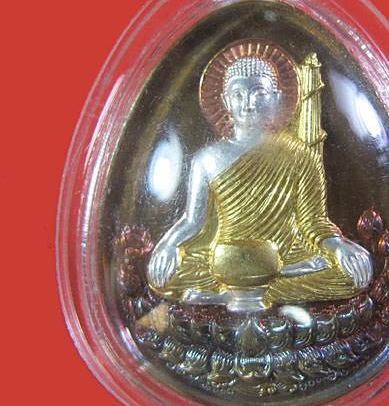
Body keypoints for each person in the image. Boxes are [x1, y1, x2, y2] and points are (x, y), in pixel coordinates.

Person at [147, 44, 372, 311]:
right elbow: (193, 222)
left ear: (276, 98)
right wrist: (168, 245)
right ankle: (248, 289)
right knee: (163, 274)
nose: (248, 103)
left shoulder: (299, 155)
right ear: (225, 100)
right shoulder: (207, 159)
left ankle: (231, 294)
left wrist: (339, 247)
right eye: (238, 94)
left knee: (351, 274)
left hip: (283, 257)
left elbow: (313, 222)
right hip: (226, 259)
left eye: (259, 93)